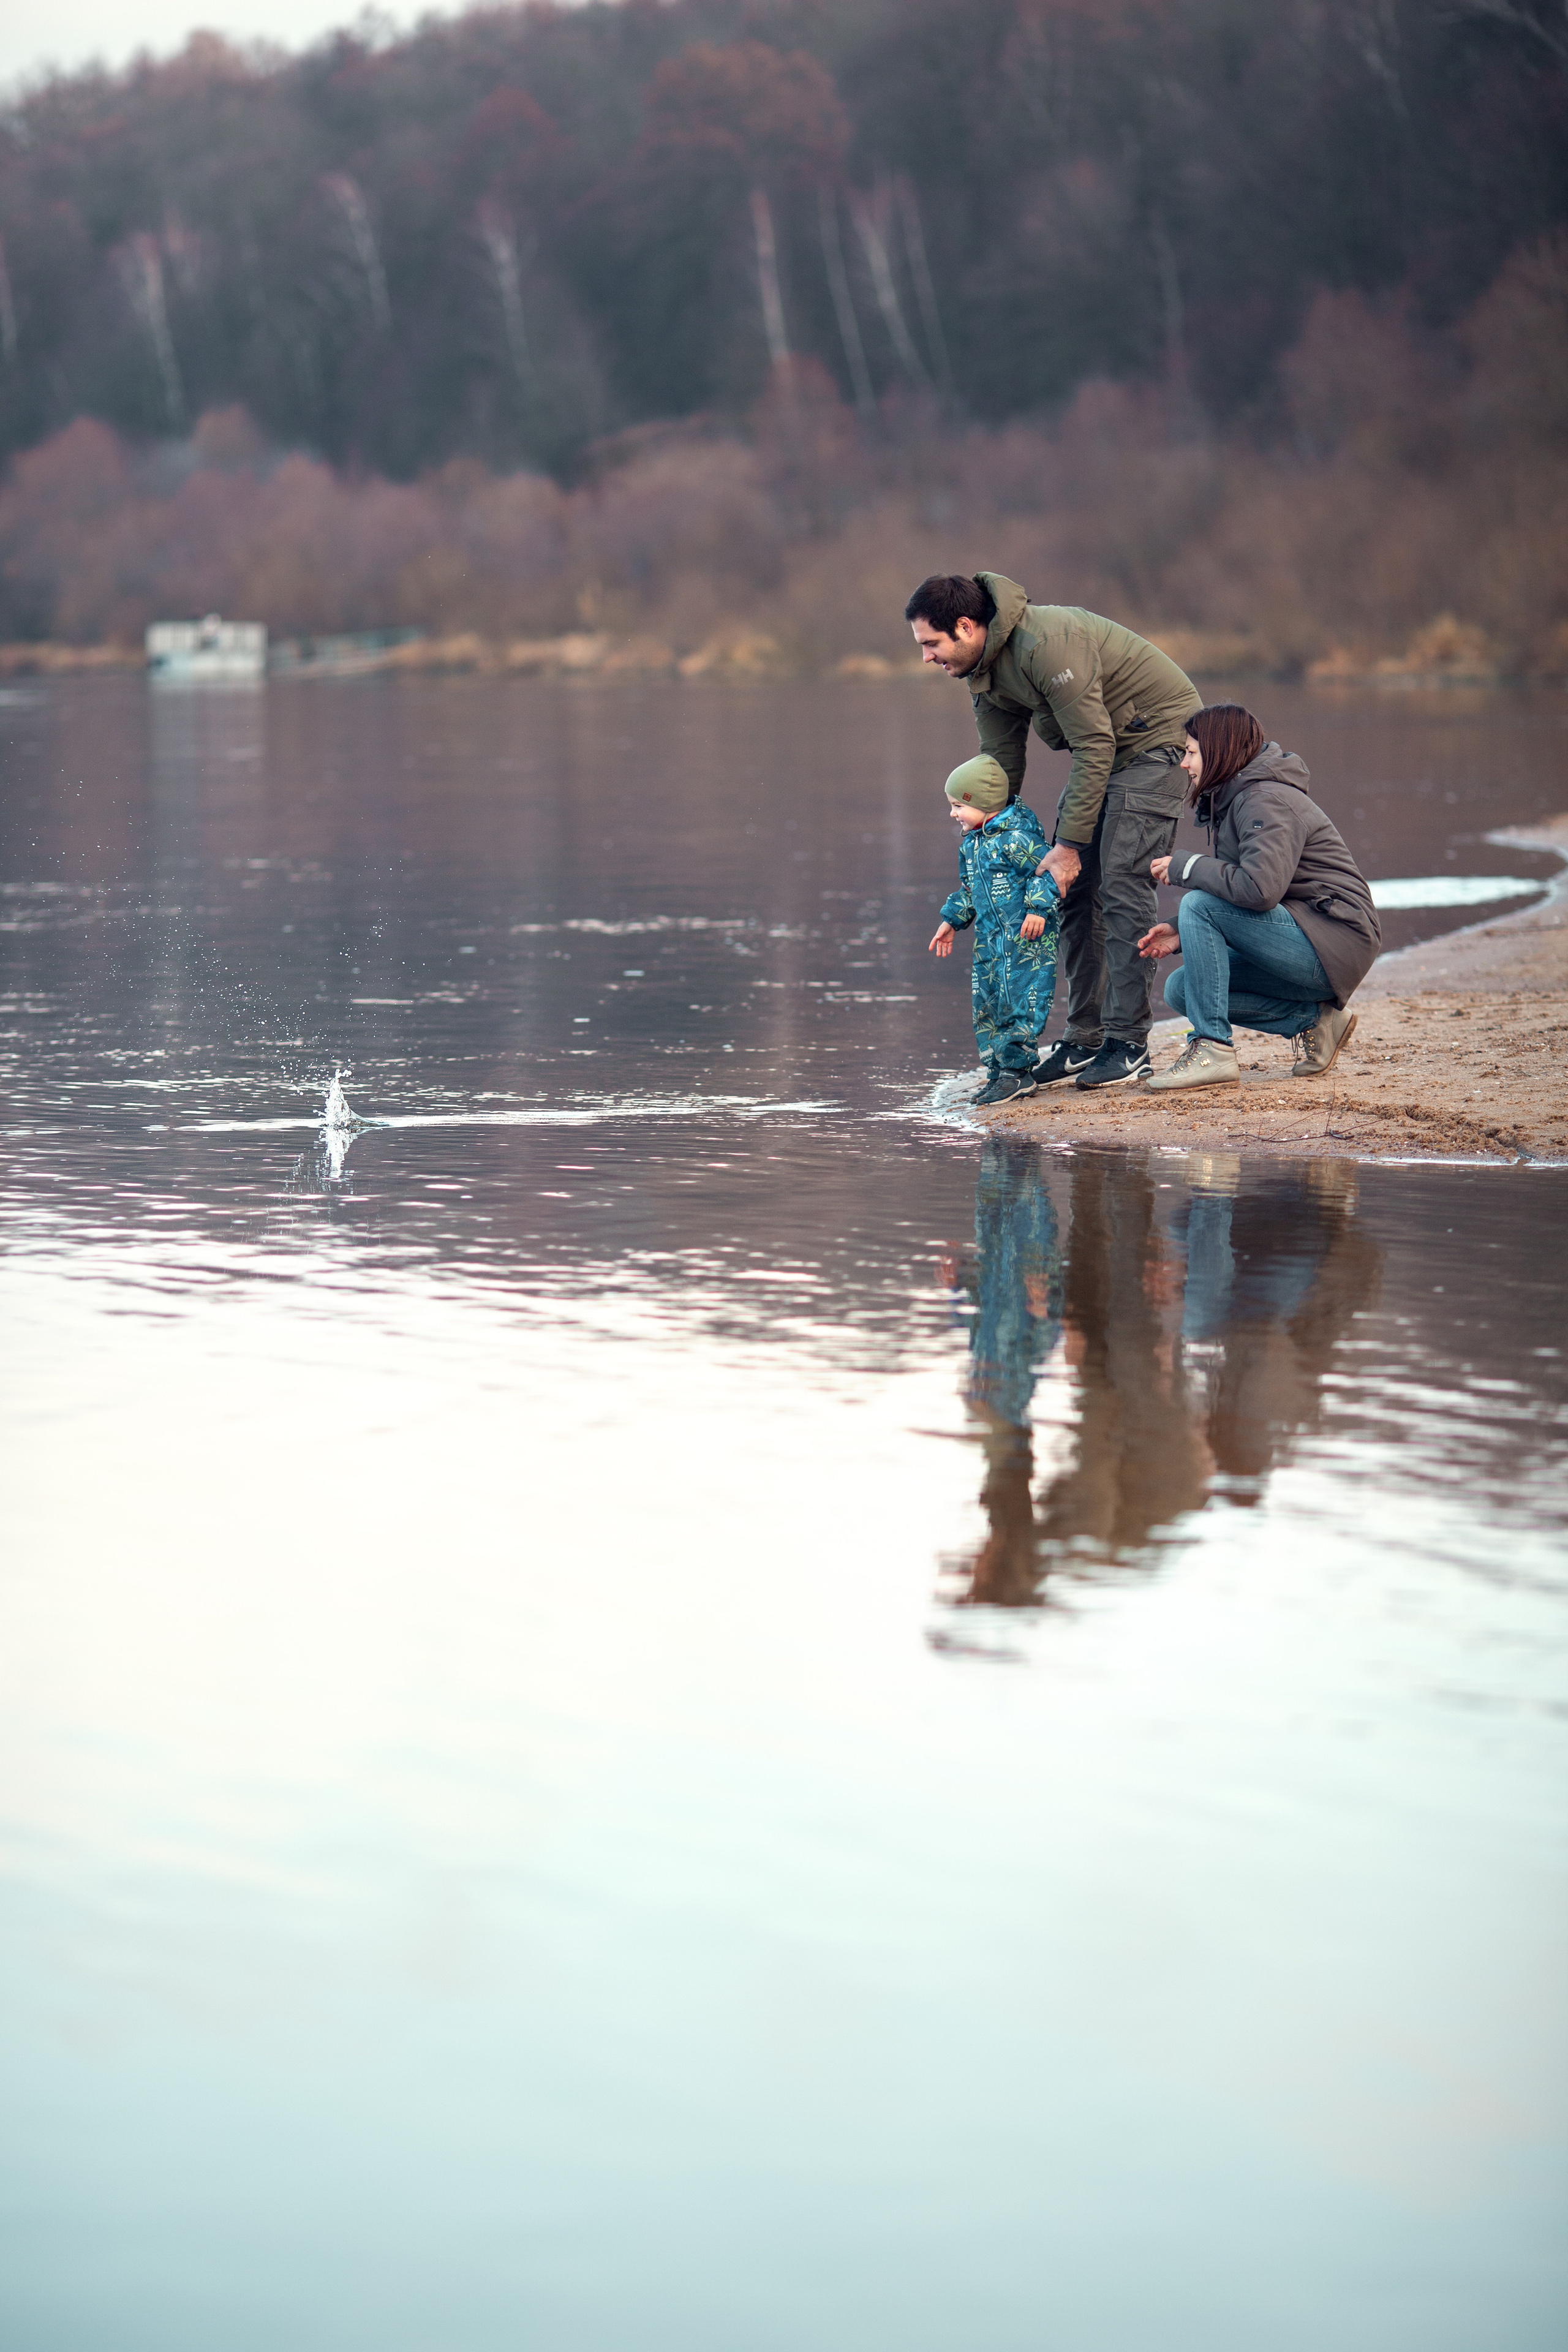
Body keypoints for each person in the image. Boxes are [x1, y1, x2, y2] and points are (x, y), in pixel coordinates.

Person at [906, 571, 1200, 1091]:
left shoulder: (1047, 645)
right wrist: (996, 846)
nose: (927, 657)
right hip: (1108, 754)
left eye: (932, 644)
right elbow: (998, 770)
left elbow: (1093, 744)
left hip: (1158, 744)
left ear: (967, 627)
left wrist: (1066, 848)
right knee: (1073, 889)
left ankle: (1128, 1043)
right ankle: (1086, 1038)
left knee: (1121, 885)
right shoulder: (980, 671)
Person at [1136, 703, 1381, 1090]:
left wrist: (1187, 867)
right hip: (1307, 936)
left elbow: (1260, 889)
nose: (1185, 763)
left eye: (1192, 752)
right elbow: (1240, 894)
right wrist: (1185, 930)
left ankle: (1213, 1050)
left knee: (1197, 902)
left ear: (1218, 751)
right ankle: (1315, 1021)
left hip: (1335, 940)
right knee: (1182, 989)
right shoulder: (1236, 798)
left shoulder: (1265, 798)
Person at [928, 754, 1060, 1106]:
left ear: (982, 803)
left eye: (958, 805)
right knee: (987, 1004)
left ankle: (1019, 1073)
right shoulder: (972, 844)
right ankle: (998, 1071)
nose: (953, 814)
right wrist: (952, 920)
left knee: (1021, 1001)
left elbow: (1048, 872)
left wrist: (1037, 908)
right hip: (989, 941)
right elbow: (970, 889)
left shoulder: (1018, 838)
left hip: (1027, 941)